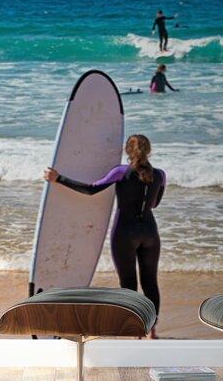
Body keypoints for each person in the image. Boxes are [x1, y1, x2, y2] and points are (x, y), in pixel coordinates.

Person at [44, 134, 166, 339]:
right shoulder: (160, 175)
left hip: (125, 232)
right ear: (149, 151)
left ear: (127, 151)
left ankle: (136, 329)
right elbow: (154, 204)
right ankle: (152, 330)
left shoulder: (120, 172)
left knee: (128, 283)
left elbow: (92, 190)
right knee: (150, 282)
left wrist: (59, 179)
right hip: (150, 232)